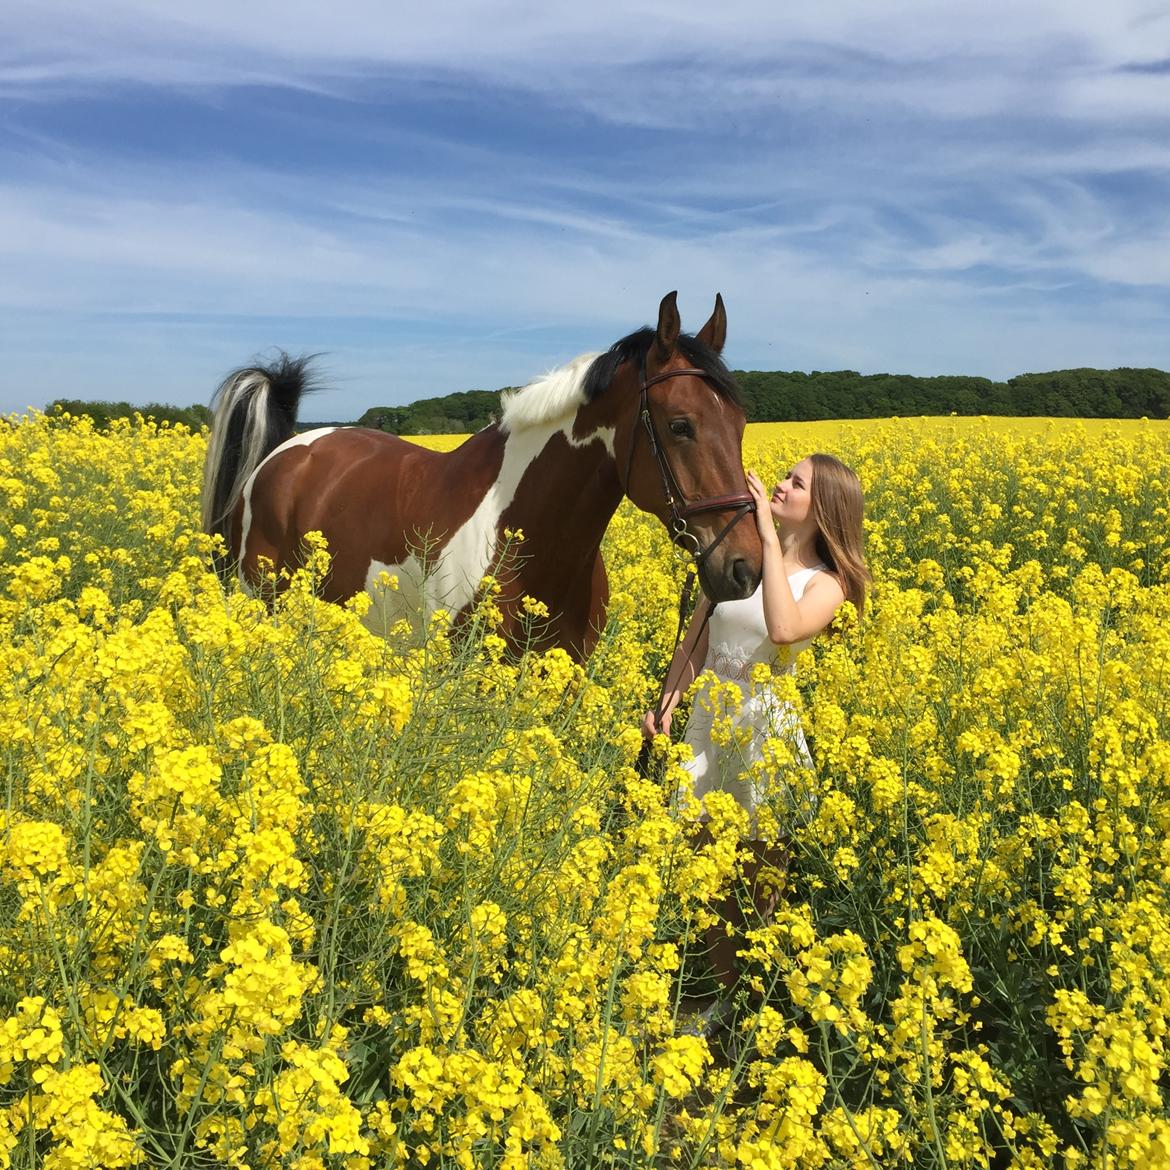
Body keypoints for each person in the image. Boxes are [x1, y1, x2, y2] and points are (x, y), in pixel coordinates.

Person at [641, 453, 869, 1033]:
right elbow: (696, 640)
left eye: (796, 483)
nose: (779, 484)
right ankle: (720, 992)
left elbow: (783, 629)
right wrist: (667, 708)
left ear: (822, 510)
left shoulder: (827, 583)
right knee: (702, 865)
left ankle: (744, 1003)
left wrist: (769, 540)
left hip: (761, 734)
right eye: (785, 476)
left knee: (754, 882)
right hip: (707, 723)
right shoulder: (733, 555)